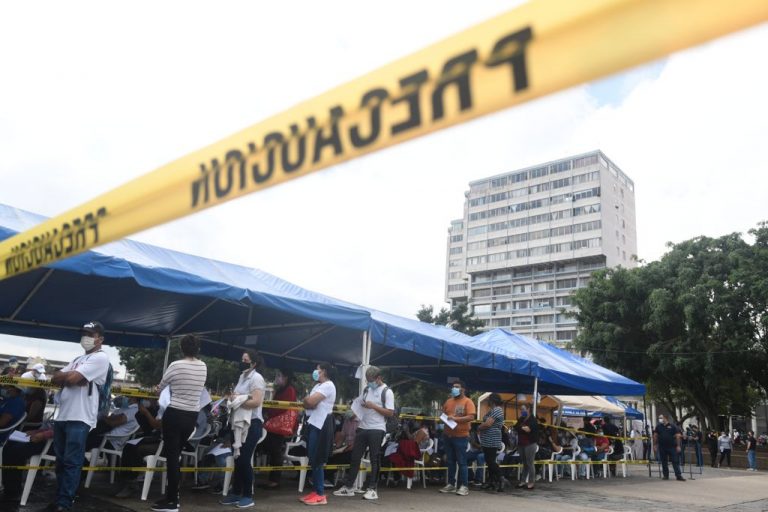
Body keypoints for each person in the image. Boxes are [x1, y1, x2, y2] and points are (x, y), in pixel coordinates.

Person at [48, 321, 110, 512]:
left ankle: (64, 503)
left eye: (90, 334)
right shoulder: (77, 359)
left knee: (72, 462)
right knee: (60, 462)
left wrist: (71, 377)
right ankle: (60, 498)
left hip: (80, 417)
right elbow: (54, 377)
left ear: (100, 339)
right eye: (84, 333)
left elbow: (71, 378)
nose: (86, 337)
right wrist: (71, 377)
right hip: (63, 416)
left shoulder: (101, 358)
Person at [152, 334, 207, 512]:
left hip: (174, 414)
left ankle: (172, 501)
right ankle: (171, 497)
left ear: (182, 348)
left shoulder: (176, 365)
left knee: (172, 458)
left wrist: (156, 390)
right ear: (197, 348)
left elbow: (159, 388)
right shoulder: (203, 367)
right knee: (176, 456)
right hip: (191, 417)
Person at [334, 366, 395, 501]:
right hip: (362, 426)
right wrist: (358, 406)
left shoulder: (387, 392)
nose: (369, 383)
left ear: (379, 378)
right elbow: (361, 401)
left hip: (377, 428)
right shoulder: (367, 389)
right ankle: (349, 487)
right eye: (367, 381)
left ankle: (372, 489)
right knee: (355, 457)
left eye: (371, 381)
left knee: (374, 458)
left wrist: (374, 406)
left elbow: (390, 412)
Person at [219, 350, 265, 509]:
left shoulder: (257, 378)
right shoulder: (242, 376)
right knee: (238, 458)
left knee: (244, 459)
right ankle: (236, 492)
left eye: (245, 359)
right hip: (238, 423)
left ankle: (248, 495)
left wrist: (237, 400)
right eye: (242, 359)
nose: (242, 361)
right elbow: (239, 395)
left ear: (253, 363)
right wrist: (233, 397)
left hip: (252, 424)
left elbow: (256, 402)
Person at [299, 363, 337, 506]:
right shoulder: (318, 386)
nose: (316, 372)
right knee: (313, 458)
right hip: (314, 423)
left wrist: (308, 401)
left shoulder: (328, 385)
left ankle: (321, 494)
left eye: (318, 370)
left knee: (318, 459)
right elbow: (308, 403)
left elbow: (310, 401)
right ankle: (316, 491)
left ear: (324, 372)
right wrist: (308, 401)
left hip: (322, 424)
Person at [259, 369, 297, 490]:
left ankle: (275, 481)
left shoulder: (289, 390)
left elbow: (282, 408)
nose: (277, 378)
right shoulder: (280, 389)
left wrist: (269, 412)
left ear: (286, 377)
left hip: (279, 425)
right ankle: (272, 479)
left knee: (276, 452)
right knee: (273, 451)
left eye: (279, 375)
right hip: (274, 425)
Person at [438, 380, 475, 496]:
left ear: (463, 389)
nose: (454, 389)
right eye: (453, 387)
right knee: (450, 461)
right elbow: (443, 414)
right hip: (447, 436)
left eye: (456, 387)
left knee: (462, 462)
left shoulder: (468, 402)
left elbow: (471, 417)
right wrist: (443, 418)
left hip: (461, 437)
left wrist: (455, 419)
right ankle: (451, 484)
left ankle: (464, 486)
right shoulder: (448, 401)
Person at [477, 393, 504, 491]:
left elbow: (488, 424)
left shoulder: (497, 410)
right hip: (487, 439)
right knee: (489, 461)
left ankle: (501, 478)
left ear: (492, 400)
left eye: (489, 399)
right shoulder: (492, 410)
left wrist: (479, 427)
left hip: (492, 439)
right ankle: (491, 481)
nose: (487, 401)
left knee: (491, 461)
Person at [653, 414, 685, 481]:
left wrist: (678, 446)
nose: (660, 419)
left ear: (665, 418)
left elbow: (678, 436)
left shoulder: (673, 426)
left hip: (672, 447)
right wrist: (655, 445)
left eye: (661, 418)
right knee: (664, 462)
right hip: (662, 447)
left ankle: (678, 475)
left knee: (675, 461)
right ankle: (666, 475)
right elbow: (655, 436)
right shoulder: (658, 426)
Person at [513, 404, 538, 489]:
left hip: (530, 443)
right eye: (521, 409)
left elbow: (529, 430)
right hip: (521, 444)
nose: (522, 411)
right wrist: (522, 427)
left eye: (523, 409)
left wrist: (522, 428)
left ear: (528, 409)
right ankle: (523, 481)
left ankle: (531, 482)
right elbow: (516, 427)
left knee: (530, 463)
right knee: (525, 463)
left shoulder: (533, 419)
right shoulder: (521, 419)